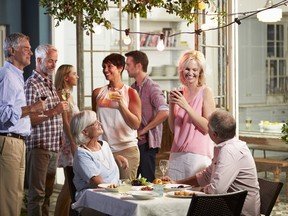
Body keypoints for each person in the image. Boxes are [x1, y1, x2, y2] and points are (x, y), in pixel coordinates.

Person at [162, 110, 261, 216]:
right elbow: (206, 175)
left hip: (238, 212)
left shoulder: (229, 151)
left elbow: (216, 191)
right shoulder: (228, 146)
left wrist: (194, 191)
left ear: (214, 134)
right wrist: (177, 183)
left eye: (208, 126)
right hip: (229, 206)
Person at [0, 32, 45, 216]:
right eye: (26, 48)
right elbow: (3, 114)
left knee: (16, 198)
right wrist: (31, 108)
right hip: (8, 142)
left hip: (17, 143)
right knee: (8, 201)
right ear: (12, 51)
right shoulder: (8, 76)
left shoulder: (16, 76)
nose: (31, 53)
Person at [24, 44, 69, 216]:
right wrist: (54, 111)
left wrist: (61, 136)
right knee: (37, 195)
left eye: (55, 61)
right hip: (39, 147)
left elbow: (53, 116)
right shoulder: (32, 85)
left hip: (53, 146)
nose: (53, 65)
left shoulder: (49, 83)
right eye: (50, 61)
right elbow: (29, 119)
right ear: (39, 60)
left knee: (48, 195)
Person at [92, 53, 141, 180]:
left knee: (125, 192)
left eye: (109, 66)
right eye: (104, 67)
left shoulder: (130, 93)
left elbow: (135, 124)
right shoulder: (97, 93)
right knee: (105, 191)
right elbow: (94, 121)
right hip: (104, 150)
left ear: (120, 68)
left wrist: (121, 105)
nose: (105, 70)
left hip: (126, 149)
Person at [168, 50, 216, 180]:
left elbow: (208, 128)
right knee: (172, 195)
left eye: (195, 69)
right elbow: (173, 129)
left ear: (200, 71)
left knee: (194, 197)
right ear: (181, 70)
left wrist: (186, 106)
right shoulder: (181, 92)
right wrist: (171, 105)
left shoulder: (206, 92)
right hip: (177, 154)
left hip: (198, 155)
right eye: (187, 69)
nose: (190, 73)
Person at [125, 50, 169, 182]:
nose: (126, 68)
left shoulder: (152, 87)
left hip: (147, 144)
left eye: (128, 64)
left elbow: (164, 112)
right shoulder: (132, 88)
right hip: (134, 142)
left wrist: (144, 130)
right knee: (133, 182)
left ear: (138, 66)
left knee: (148, 182)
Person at [71, 110, 128, 200]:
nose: (100, 123)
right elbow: (98, 183)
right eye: (95, 123)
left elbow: (102, 162)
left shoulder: (104, 145)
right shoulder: (82, 154)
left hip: (112, 194)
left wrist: (115, 158)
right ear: (85, 131)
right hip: (93, 198)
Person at [54, 64, 79, 216]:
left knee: (69, 185)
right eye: (74, 74)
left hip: (70, 142)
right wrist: (74, 143)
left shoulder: (68, 94)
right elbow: (66, 122)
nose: (76, 77)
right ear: (66, 77)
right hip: (69, 144)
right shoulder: (63, 94)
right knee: (69, 186)